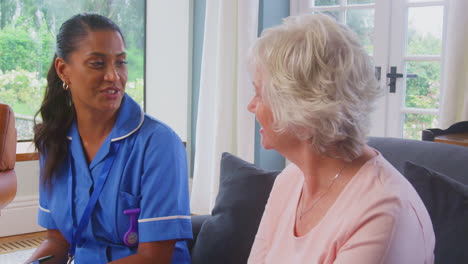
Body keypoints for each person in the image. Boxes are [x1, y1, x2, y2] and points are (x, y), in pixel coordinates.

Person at [246, 14, 435, 263]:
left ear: (300, 112)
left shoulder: (382, 212)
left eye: (260, 94)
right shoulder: (289, 181)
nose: (251, 106)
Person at [26, 13, 192, 264]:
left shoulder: (159, 144)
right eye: (97, 64)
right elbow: (57, 242)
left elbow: (154, 258)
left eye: (121, 62)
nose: (114, 76)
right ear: (63, 70)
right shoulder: (53, 140)